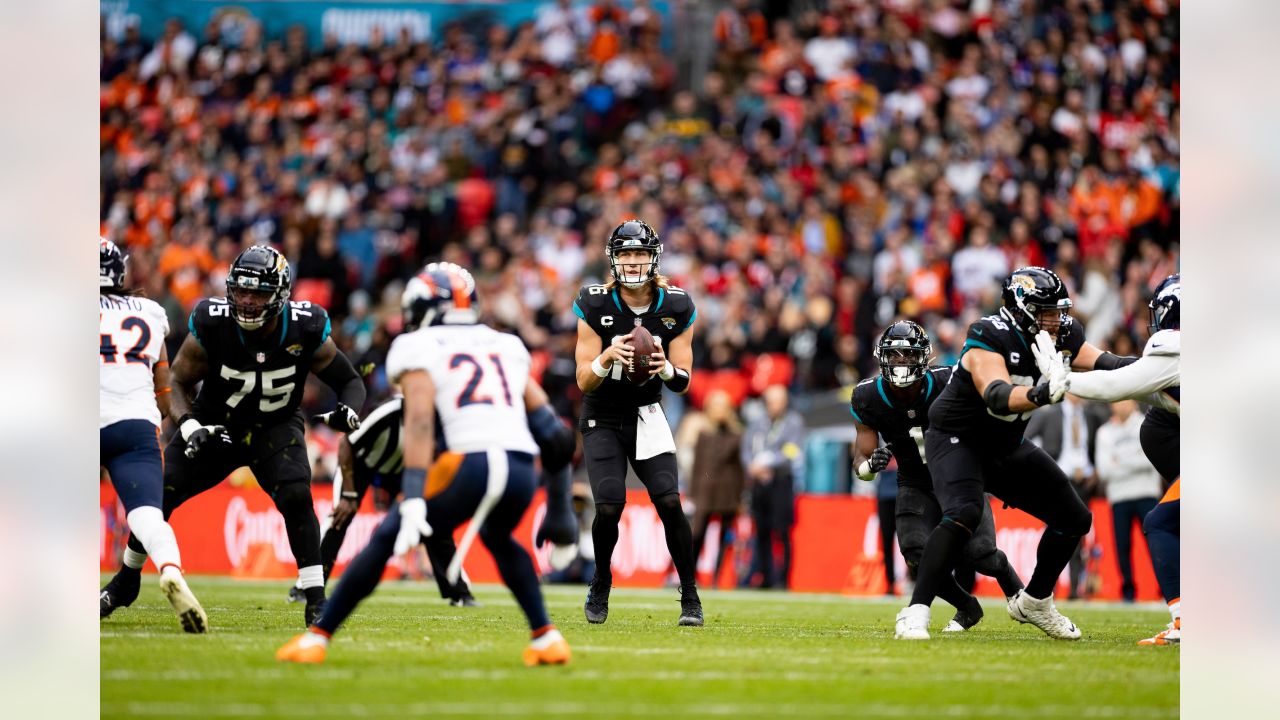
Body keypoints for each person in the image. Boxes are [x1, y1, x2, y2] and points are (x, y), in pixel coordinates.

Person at [276, 262, 572, 666]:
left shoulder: (417, 347)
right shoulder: (506, 344)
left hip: (469, 463)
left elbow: (416, 423)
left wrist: (413, 493)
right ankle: (546, 637)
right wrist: (560, 511)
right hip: (521, 467)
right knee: (499, 538)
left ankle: (317, 638)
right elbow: (555, 435)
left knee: (385, 539)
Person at [100, 245, 367, 628]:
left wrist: (350, 410)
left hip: (275, 426)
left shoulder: (304, 326)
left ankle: (316, 599)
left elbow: (350, 380)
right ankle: (126, 581)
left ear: (279, 294)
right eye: (240, 290)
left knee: (295, 494)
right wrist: (190, 426)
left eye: (257, 292)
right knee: (160, 492)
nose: (246, 300)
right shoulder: (214, 321)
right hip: (217, 425)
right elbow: (175, 379)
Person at [896, 266, 1131, 641]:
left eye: (1059, 310)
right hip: (958, 437)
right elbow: (996, 395)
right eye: (1048, 310)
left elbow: (1111, 366)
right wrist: (1041, 394)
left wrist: (1162, 369)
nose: (1058, 319)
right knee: (964, 512)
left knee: (1074, 518)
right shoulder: (989, 334)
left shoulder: (1063, 334)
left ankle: (1035, 600)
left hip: (1004, 443)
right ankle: (916, 611)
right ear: (1021, 309)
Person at [285, 385, 578, 606]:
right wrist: (349, 492)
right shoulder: (390, 412)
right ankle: (306, 585)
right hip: (362, 465)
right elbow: (348, 443)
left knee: (437, 525)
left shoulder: (446, 422)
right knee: (340, 518)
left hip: (405, 472)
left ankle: (458, 592)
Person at [852, 321, 1024, 630]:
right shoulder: (867, 396)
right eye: (895, 356)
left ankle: (1017, 590)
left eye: (908, 355)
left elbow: (990, 428)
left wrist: (1002, 476)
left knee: (981, 555)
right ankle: (967, 606)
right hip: (915, 481)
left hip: (959, 476)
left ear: (924, 358)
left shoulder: (949, 381)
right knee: (916, 555)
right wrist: (870, 467)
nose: (901, 363)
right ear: (882, 358)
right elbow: (860, 459)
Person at [573, 219, 703, 626]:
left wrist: (664, 370)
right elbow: (582, 379)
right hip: (603, 414)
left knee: (669, 501)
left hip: (647, 412)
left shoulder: (676, 305)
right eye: (626, 253)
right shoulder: (594, 302)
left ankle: (690, 594)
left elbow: (683, 380)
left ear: (653, 257)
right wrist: (605, 358)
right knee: (609, 505)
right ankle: (601, 580)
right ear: (613, 258)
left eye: (640, 253)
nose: (633, 261)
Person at [1049, 273, 1180, 644]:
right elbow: (1138, 378)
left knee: (1160, 524)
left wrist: (1062, 380)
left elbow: (1115, 386)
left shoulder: (1176, 349)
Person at [99, 238, 206, 632]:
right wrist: (175, 420)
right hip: (135, 425)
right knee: (147, 515)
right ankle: (172, 569)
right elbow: (163, 387)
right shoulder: (149, 311)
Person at [1024, 393, 1108, 599]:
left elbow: (1101, 443)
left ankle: (1074, 590)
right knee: (1053, 534)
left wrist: (1096, 470)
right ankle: (1045, 588)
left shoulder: (1092, 414)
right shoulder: (1049, 414)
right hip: (1057, 480)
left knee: (1077, 536)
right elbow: (1025, 438)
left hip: (1083, 483)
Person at [1093, 399, 1163, 603]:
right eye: (1116, 402)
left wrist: (1119, 461)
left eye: (1125, 401)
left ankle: (1167, 590)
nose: (1120, 405)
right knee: (1122, 547)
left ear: (1134, 403)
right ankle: (1128, 593)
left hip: (1146, 493)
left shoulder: (1147, 424)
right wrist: (1135, 458)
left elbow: (1150, 460)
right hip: (1119, 497)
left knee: (1156, 544)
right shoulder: (1105, 432)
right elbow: (1104, 470)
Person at [741, 384, 804, 590]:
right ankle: (765, 576)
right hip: (760, 483)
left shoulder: (793, 422)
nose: (775, 406)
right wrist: (753, 467)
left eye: (779, 401)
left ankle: (783, 578)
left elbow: (792, 451)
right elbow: (746, 448)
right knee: (762, 530)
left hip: (781, 481)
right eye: (771, 401)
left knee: (782, 531)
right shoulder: (757, 422)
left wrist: (768, 463)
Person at [687, 389, 746, 589]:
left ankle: (717, 578)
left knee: (724, 538)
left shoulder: (737, 435)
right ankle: (691, 576)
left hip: (727, 492)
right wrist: (692, 494)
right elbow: (697, 467)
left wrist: (740, 497)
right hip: (705, 492)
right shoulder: (703, 435)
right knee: (698, 535)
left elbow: (740, 468)